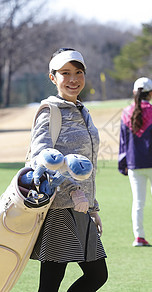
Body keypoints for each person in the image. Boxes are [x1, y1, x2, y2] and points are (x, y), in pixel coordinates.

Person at [29, 48, 108, 291]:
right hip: (59, 209)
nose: (73, 79)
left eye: (78, 72)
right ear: (53, 77)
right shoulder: (50, 111)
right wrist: (73, 191)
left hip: (81, 208)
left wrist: (92, 208)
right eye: (65, 73)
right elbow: (39, 160)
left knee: (94, 276)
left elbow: (84, 165)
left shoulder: (82, 110)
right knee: (55, 282)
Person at [118, 77, 152, 247]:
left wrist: (122, 164)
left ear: (135, 93)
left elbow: (123, 142)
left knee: (138, 202)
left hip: (134, 164)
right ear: (151, 93)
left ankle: (139, 237)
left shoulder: (125, 113)